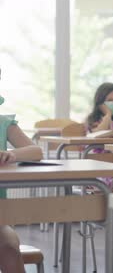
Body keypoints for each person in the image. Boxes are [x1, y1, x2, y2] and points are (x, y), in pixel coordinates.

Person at [0, 68, 43, 273]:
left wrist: (13, 155)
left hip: (0, 219)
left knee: (9, 249)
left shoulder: (4, 123)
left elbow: (36, 151)